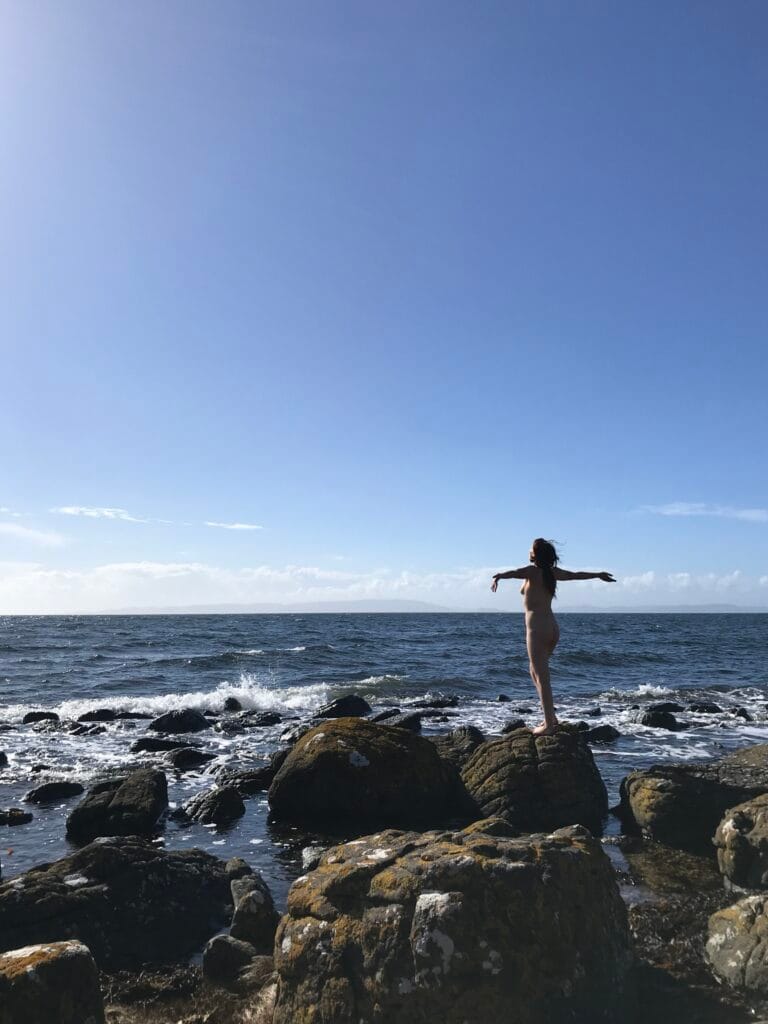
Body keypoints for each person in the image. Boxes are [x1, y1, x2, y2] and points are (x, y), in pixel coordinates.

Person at [491, 539, 616, 736]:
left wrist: (499, 576)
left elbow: (514, 573)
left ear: (536, 554)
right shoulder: (551, 573)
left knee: (541, 676)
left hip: (537, 629)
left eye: (531, 549)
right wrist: (598, 575)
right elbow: (575, 575)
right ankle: (551, 717)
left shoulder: (532, 572)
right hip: (551, 628)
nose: (528, 551)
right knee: (534, 672)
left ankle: (549, 725)